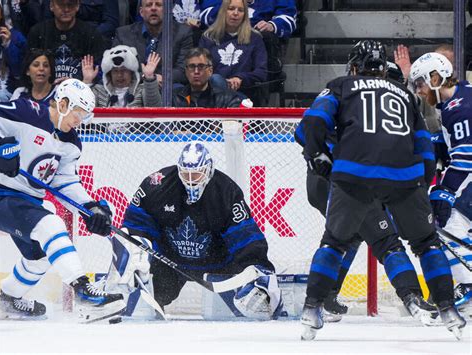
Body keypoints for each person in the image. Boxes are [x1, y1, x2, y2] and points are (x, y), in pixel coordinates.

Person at [297, 40, 465, 340]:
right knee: (424, 243)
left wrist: (316, 156)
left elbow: (310, 124)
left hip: (352, 174)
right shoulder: (406, 95)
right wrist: (421, 187)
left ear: (354, 66)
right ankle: (446, 308)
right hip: (404, 177)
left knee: (336, 241)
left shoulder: (341, 86)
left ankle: (312, 308)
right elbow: (425, 148)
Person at [106, 142, 283, 320]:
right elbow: (135, 224)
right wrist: (138, 250)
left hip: (219, 268)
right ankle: (115, 299)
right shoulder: (157, 183)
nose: (191, 180)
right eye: (186, 174)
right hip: (169, 262)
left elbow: (245, 237)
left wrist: (258, 269)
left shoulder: (226, 190)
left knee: (243, 315)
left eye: (196, 174)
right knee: (135, 264)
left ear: (208, 170)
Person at [0, 79, 124, 320]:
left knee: (41, 258)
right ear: (63, 103)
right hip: (1, 193)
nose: (79, 120)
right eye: (77, 113)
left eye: (84, 116)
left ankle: (8, 298)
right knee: (51, 224)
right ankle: (84, 293)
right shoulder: (28, 112)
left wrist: (90, 207)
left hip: (25, 202)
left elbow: (63, 181)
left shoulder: (71, 143)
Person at [410, 52, 472, 316]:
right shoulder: (459, 99)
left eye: (421, 83)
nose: (420, 91)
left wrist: (444, 192)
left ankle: (469, 285)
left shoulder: (460, 107)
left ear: (435, 77)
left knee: (444, 222)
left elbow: (466, 158)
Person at [199, 0, 268, 106]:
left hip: (243, 94)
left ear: (245, 15)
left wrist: (241, 78)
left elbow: (261, 72)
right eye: (231, 9)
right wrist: (222, 82)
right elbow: (201, 69)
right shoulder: (208, 37)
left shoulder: (255, 38)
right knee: (216, 80)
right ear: (223, 11)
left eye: (240, 10)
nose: (235, 13)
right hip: (212, 94)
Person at [113, 0, 193, 85]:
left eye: (158, 5)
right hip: (133, 87)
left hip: (166, 86)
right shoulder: (124, 34)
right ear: (141, 12)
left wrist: (161, 78)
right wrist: (147, 77)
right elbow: (117, 68)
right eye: (148, 5)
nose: (153, 8)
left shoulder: (182, 33)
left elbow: (183, 70)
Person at [27, 0, 105, 81]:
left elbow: (98, 73)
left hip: (80, 89)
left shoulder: (91, 34)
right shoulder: (38, 32)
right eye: (61, 5)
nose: (66, 9)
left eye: (70, 5)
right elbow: (30, 70)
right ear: (51, 6)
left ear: (77, 6)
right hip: (46, 89)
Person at [82, 44, 161, 108]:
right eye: (115, 71)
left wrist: (149, 77)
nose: (119, 75)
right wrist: (87, 82)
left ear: (131, 72)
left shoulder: (141, 90)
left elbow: (154, 108)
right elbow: (83, 110)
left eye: (124, 70)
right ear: (109, 74)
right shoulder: (98, 91)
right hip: (105, 128)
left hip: (134, 128)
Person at [172, 47, 242, 108]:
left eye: (201, 66)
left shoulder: (228, 99)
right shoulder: (174, 98)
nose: (196, 71)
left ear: (210, 71)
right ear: (186, 71)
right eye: (192, 67)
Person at [0, 1, 27, 102]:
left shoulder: (16, 36)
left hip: (9, 93)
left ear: (1, 13)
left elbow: (19, 72)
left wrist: (8, 45)